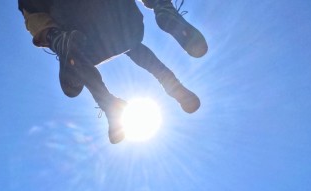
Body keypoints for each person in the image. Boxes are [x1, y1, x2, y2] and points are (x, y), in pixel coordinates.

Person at [18, 0, 205, 143]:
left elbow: (33, 12)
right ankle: (162, 7)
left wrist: (50, 34)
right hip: (124, 20)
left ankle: (59, 41)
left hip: (83, 37)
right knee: (130, 44)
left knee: (78, 58)